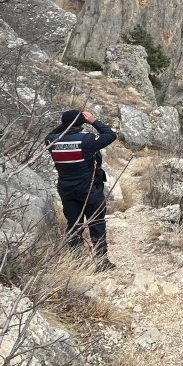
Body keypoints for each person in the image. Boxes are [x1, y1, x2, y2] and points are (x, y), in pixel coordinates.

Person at [45, 109, 118, 271]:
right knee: (96, 223)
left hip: (66, 190)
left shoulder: (51, 141)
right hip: (89, 189)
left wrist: (68, 123)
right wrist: (92, 120)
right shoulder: (87, 140)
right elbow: (110, 134)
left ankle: (76, 263)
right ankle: (102, 262)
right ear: (80, 124)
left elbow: (55, 132)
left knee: (74, 225)